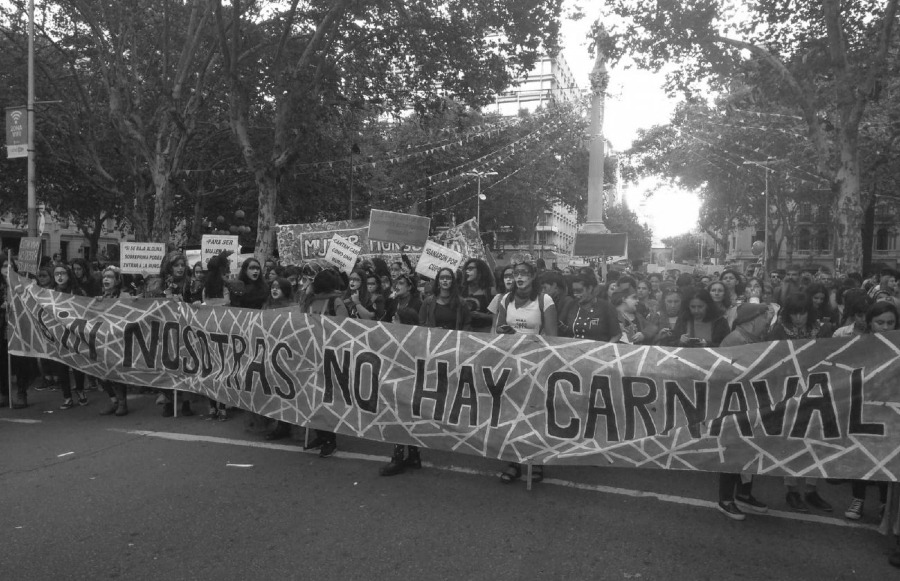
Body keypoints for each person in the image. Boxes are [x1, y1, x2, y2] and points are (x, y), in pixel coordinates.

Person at [769, 292, 834, 513]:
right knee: (792, 440)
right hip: (788, 390)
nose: (799, 318)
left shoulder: (822, 330)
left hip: (816, 389)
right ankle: (792, 490)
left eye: (803, 313)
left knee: (815, 440)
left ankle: (812, 489)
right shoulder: (778, 329)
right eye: (795, 314)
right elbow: (770, 359)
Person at [495, 261, 556, 484]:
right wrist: (507, 333)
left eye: (523, 273)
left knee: (534, 413)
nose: (518, 277)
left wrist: (525, 339)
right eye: (514, 274)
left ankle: (535, 460)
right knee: (511, 413)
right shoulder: (505, 300)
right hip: (511, 363)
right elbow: (498, 331)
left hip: (536, 364)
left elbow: (552, 337)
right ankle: (514, 460)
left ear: (532, 276)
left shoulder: (544, 300)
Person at [716, 303, 773, 520]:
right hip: (734, 404)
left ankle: (744, 494)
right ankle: (725, 499)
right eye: (764, 317)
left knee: (750, 449)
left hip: (751, 402)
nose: (767, 321)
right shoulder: (735, 340)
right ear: (751, 320)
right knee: (733, 451)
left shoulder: (753, 339)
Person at [847, 302, 898, 523]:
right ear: (870, 323)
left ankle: (885, 502)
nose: (885, 327)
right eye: (880, 322)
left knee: (887, 458)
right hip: (863, 410)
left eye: (890, 322)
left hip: (891, 413)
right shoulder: (858, 345)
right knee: (861, 457)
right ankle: (858, 499)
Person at [301, 269, 350, 458]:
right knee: (312, 396)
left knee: (327, 398)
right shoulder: (311, 301)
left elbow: (343, 327)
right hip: (312, 353)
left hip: (329, 355)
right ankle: (320, 434)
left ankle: (330, 439)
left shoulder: (335, 302)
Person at [379, 307, 424, 476]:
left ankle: (397, 459)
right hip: (405, 386)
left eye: (395, 318)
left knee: (399, 421)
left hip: (405, 388)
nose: (392, 320)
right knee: (407, 421)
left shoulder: (409, 342)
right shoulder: (404, 338)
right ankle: (413, 456)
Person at [52, 263, 89, 409]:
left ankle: (80, 390)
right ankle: (67, 396)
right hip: (57, 333)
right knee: (61, 366)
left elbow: (87, 309)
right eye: (56, 274)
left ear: (69, 275)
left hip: (75, 333)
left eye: (63, 273)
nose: (59, 276)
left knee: (77, 363)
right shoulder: (48, 293)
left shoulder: (78, 291)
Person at [95, 267, 130, 416]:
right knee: (100, 372)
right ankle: (113, 400)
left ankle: (122, 403)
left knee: (116, 371)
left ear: (117, 280)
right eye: (104, 277)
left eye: (110, 277)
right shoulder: (100, 297)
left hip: (119, 339)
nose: (106, 279)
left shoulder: (124, 296)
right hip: (102, 339)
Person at [562, 273, 620, 342]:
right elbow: (563, 328)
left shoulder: (606, 307)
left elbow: (616, 335)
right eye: (574, 291)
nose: (575, 294)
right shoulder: (572, 305)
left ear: (590, 288)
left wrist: (605, 349)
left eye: (579, 291)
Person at [460, 258, 494, 333]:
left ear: (480, 271)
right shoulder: (461, 290)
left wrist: (482, 316)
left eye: (470, 268)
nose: (467, 271)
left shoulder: (490, 291)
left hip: (484, 334)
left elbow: (500, 317)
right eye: (466, 269)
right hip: (464, 332)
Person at [540, 270, 576, 337]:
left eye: (544, 288)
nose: (542, 291)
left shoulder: (568, 303)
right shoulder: (552, 301)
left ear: (555, 286)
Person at [487, 265, 515, 332]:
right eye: (505, 277)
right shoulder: (498, 298)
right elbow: (494, 325)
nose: (508, 279)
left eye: (511, 276)